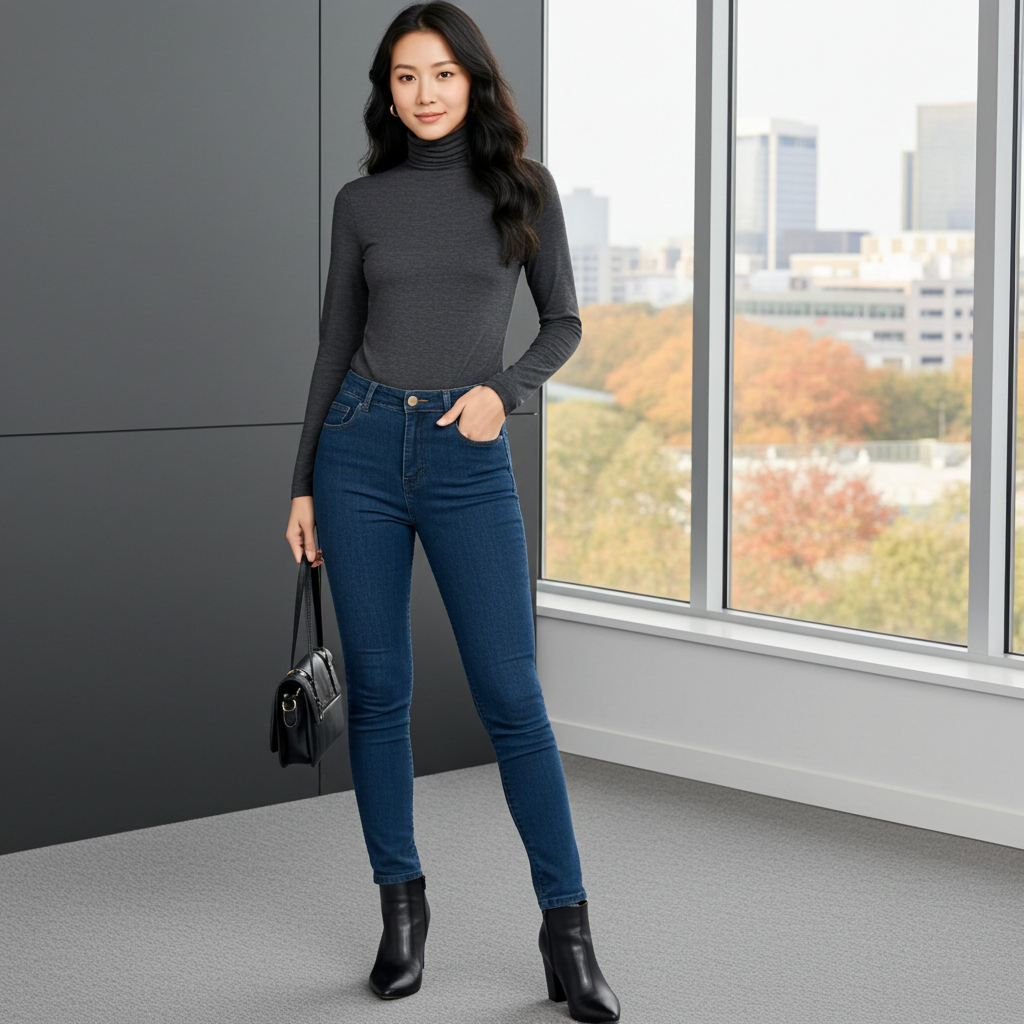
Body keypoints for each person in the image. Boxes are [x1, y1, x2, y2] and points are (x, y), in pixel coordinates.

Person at [285, 4, 619, 1020]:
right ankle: (401, 913)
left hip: (468, 458)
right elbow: (334, 341)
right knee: (380, 695)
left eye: (440, 73)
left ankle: (567, 933)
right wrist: (299, 481)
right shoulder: (361, 203)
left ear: (473, 81)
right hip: (357, 455)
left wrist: (504, 389)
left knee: (513, 697)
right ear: (386, 92)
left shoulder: (523, 190)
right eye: (403, 77)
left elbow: (563, 319)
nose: (423, 93)